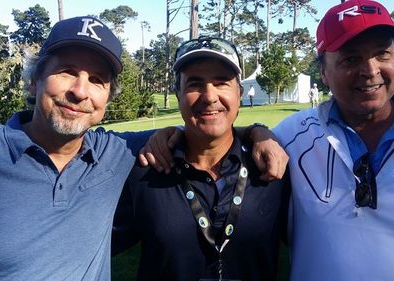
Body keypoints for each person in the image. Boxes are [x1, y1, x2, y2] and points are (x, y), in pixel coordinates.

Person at [0, 16, 288, 280]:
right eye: (66, 72)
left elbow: (203, 128)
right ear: (35, 81)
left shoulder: (117, 152)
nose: (80, 91)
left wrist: (259, 133)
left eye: (96, 79)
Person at [270, 1, 394, 280]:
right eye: (351, 58)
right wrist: (255, 132)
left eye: (382, 54)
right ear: (323, 72)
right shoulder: (290, 138)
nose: (371, 70)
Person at [112, 36, 290, 281]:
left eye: (221, 82)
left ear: (239, 93)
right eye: (195, 84)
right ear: (178, 94)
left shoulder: (273, 169)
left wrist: (257, 130)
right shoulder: (145, 169)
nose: (209, 96)